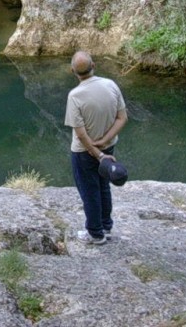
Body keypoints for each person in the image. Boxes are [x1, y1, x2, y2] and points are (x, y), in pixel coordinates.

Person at [64, 50, 127, 245]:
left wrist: (97, 153)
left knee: (89, 191)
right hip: (108, 148)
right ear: (94, 66)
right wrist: (105, 141)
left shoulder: (75, 96)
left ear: (73, 71)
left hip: (84, 153)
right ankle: (106, 227)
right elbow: (122, 117)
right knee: (103, 187)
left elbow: (81, 134)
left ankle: (95, 234)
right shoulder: (111, 85)